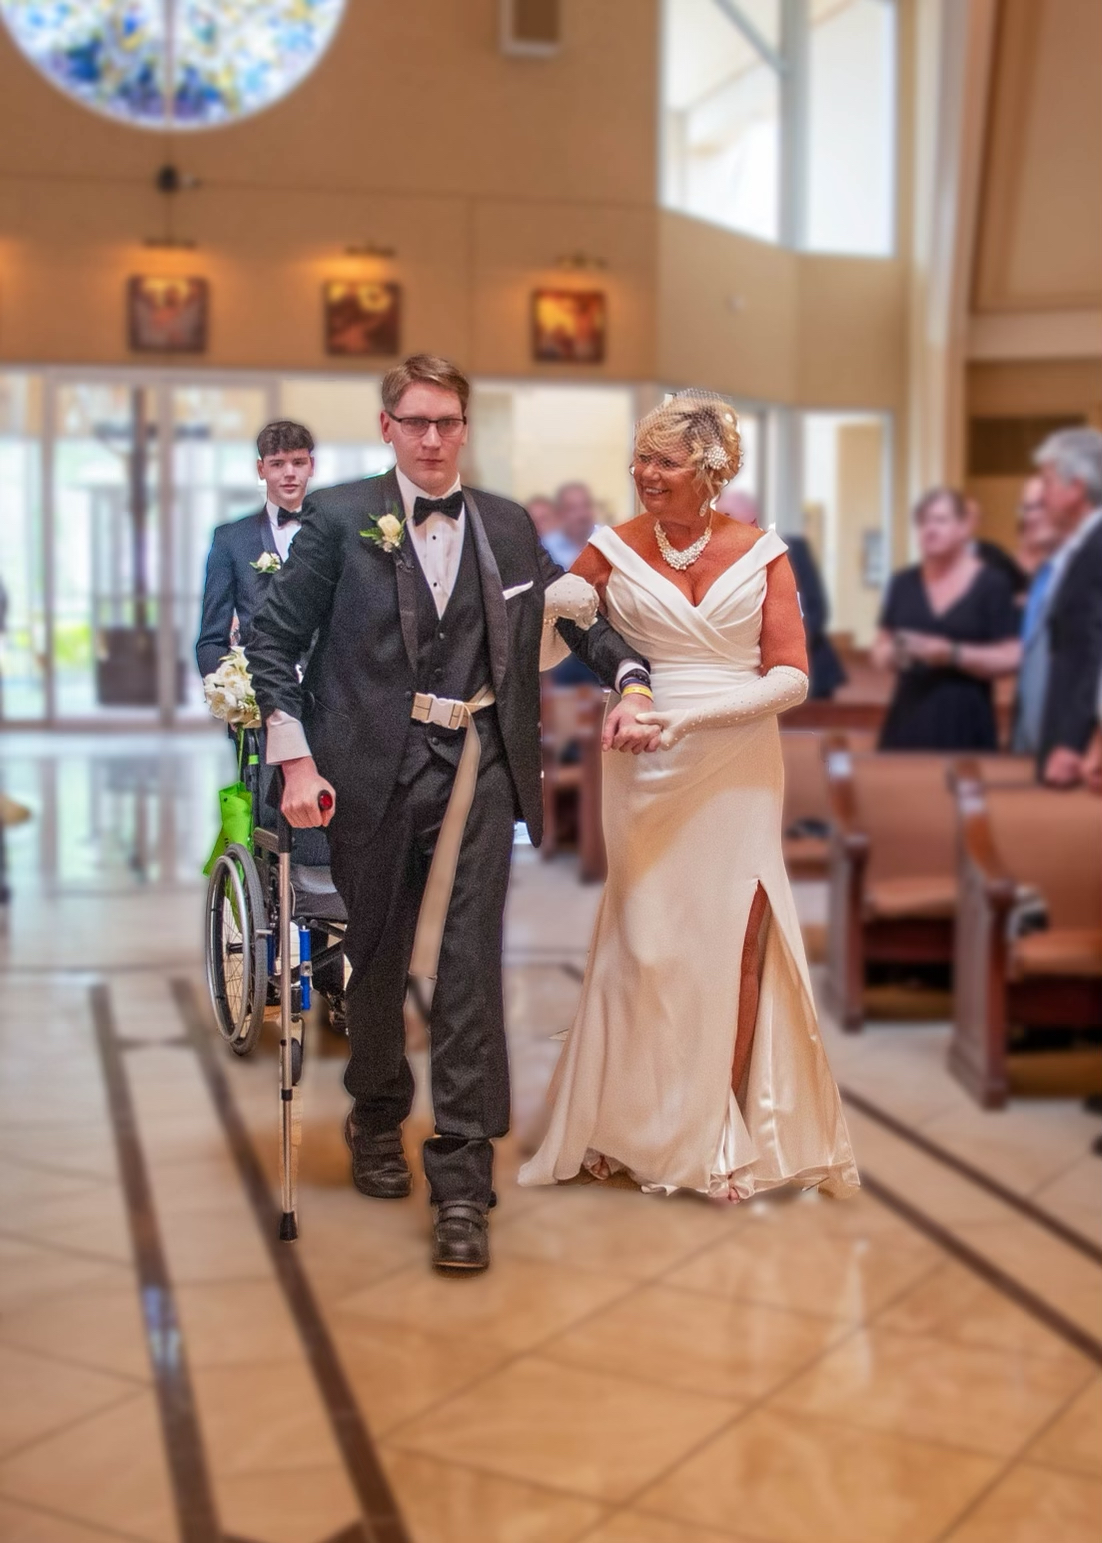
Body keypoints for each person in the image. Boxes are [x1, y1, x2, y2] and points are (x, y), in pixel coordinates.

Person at [246, 354, 654, 1274]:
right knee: (378, 955)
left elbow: (572, 611)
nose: (433, 438)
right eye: (416, 421)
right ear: (388, 426)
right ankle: (379, 1108)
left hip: (480, 768)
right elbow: (274, 641)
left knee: (469, 968)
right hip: (363, 772)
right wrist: (296, 756)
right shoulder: (340, 518)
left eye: (448, 422)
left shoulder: (507, 526)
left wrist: (628, 672)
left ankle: (465, 1183)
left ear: (465, 429)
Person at [519, 392, 858, 1202]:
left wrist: (690, 716)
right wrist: (555, 612)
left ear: (709, 471)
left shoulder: (763, 553)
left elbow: (791, 675)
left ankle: (717, 1126)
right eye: (640, 458)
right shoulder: (610, 545)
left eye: (664, 462)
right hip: (642, 761)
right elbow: (535, 652)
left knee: (733, 940)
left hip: (735, 760)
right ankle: (631, 1123)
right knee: (649, 938)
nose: (644, 475)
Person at [873, 488, 1021, 751]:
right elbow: (879, 649)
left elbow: (1011, 656)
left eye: (940, 520)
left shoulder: (991, 584)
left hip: (966, 720)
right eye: (923, 522)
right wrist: (894, 653)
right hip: (909, 717)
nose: (930, 529)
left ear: (964, 527)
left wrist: (950, 653)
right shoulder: (903, 583)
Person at [196, 421, 315, 677]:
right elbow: (212, 639)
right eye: (277, 464)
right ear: (261, 469)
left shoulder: (334, 531)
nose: (289, 473)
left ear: (311, 466)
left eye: (298, 462)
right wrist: (230, 695)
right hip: (258, 693)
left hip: (326, 701)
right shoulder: (231, 539)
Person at [715, 485, 845, 700]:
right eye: (716, 517)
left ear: (752, 518)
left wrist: (780, 651)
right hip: (743, 674)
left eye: (727, 515)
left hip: (809, 667)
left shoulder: (792, 549)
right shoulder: (714, 559)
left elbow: (817, 610)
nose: (719, 524)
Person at [1033, 427, 1102, 786]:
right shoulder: (1082, 547)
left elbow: (1095, 652)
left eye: (1046, 483)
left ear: (1076, 488)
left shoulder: (1097, 549)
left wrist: (1074, 739)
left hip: (1081, 747)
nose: (1041, 496)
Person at [1012, 475, 1060, 756]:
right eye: (1025, 508)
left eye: (1038, 506)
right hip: (1031, 735)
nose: (1029, 517)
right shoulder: (1043, 575)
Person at [542, 481, 597, 569]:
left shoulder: (610, 538)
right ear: (560, 514)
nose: (582, 515)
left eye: (587, 505)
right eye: (573, 509)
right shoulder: (547, 547)